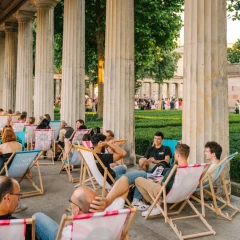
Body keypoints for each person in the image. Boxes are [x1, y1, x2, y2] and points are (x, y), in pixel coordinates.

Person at [34, 176, 129, 240]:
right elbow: (124, 180)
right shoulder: (111, 215)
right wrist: (108, 201)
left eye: (71, 202)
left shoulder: (69, 234)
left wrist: (64, 224)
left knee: (37, 217)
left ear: (77, 210)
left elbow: (59, 233)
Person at [91, 133, 148, 210]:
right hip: (114, 179)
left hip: (105, 177)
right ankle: (136, 201)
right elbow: (123, 153)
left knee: (123, 167)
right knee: (143, 174)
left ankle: (124, 190)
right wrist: (108, 143)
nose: (106, 146)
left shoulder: (90, 153)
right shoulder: (102, 157)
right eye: (104, 143)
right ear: (100, 143)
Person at [135, 143, 190, 217]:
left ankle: (156, 206)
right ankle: (156, 205)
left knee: (138, 180)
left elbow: (162, 186)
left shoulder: (174, 170)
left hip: (164, 194)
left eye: (174, 154)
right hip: (183, 195)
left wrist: (157, 182)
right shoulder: (192, 170)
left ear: (178, 155)